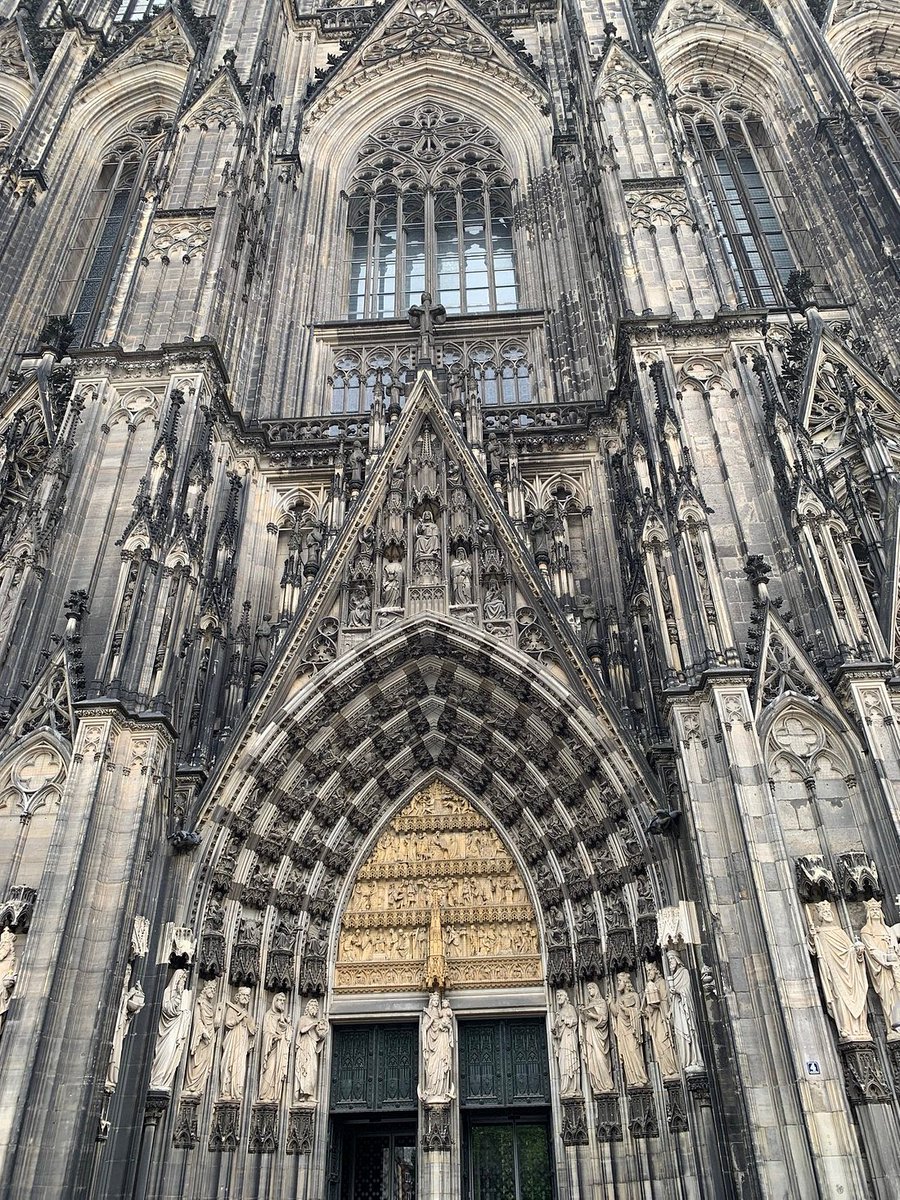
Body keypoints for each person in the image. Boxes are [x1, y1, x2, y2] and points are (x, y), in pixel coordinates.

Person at [148, 969, 191, 1091]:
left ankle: (164, 1081)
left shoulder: (184, 996)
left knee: (171, 1056)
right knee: (165, 1054)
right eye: (181, 979)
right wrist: (177, 998)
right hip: (167, 1031)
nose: (183, 982)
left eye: (184, 980)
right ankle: (157, 1081)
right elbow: (168, 1010)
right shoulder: (168, 992)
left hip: (176, 1030)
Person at [182, 980, 218, 1097]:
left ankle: (197, 1087)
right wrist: (203, 1031)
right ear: (204, 989)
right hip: (201, 1038)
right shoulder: (200, 1002)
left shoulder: (210, 1007)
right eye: (210, 989)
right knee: (196, 1062)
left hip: (209, 1039)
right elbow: (197, 1020)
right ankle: (190, 1085)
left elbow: (212, 1024)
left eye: (214, 990)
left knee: (204, 1062)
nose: (212, 991)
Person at [219, 986, 256, 1100]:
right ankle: (226, 1089)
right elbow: (228, 1023)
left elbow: (252, 1030)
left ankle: (237, 1089)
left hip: (242, 1041)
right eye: (243, 995)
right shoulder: (232, 1009)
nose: (245, 998)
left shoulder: (247, 1013)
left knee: (240, 1066)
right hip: (233, 1040)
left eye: (247, 996)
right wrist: (239, 1017)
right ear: (238, 997)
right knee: (230, 1062)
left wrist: (253, 1027)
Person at [580, 981, 614, 1094]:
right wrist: (582, 1013)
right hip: (590, 1032)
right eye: (588, 989)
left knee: (600, 1058)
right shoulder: (589, 1004)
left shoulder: (601, 1002)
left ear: (596, 989)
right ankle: (597, 1084)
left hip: (599, 1035)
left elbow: (604, 1019)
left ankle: (606, 1083)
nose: (589, 991)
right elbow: (584, 1022)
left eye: (591, 988)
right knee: (592, 1059)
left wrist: (593, 1015)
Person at [258, 992, 292, 1102]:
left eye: (284, 1001)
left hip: (281, 1050)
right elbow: (266, 1033)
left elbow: (288, 1035)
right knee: (270, 1069)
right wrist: (274, 1037)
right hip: (272, 1048)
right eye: (280, 1000)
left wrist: (287, 1027)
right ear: (274, 1001)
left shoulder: (283, 1018)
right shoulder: (268, 1015)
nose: (282, 1002)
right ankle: (265, 1094)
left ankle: (274, 1095)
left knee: (277, 1071)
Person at [295, 999, 327, 1104]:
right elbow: (302, 1030)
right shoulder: (303, 1019)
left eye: (316, 1007)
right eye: (312, 1006)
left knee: (312, 1070)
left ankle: (310, 1094)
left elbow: (319, 1037)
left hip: (312, 1049)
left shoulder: (317, 1021)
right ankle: (302, 1094)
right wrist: (313, 1024)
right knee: (304, 1069)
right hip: (304, 1049)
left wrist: (323, 1032)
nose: (314, 1008)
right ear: (307, 1008)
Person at [551, 989, 581, 1098]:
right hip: (562, 1041)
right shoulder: (559, 1012)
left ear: (566, 996)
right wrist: (555, 1031)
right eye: (557, 995)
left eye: (560, 995)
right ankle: (565, 1087)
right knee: (563, 1063)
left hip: (569, 1039)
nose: (558, 997)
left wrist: (563, 1018)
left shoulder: (570, 1008)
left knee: (569, 1062)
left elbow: (575, 1020)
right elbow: (557, 1032)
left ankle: (572, 1088)